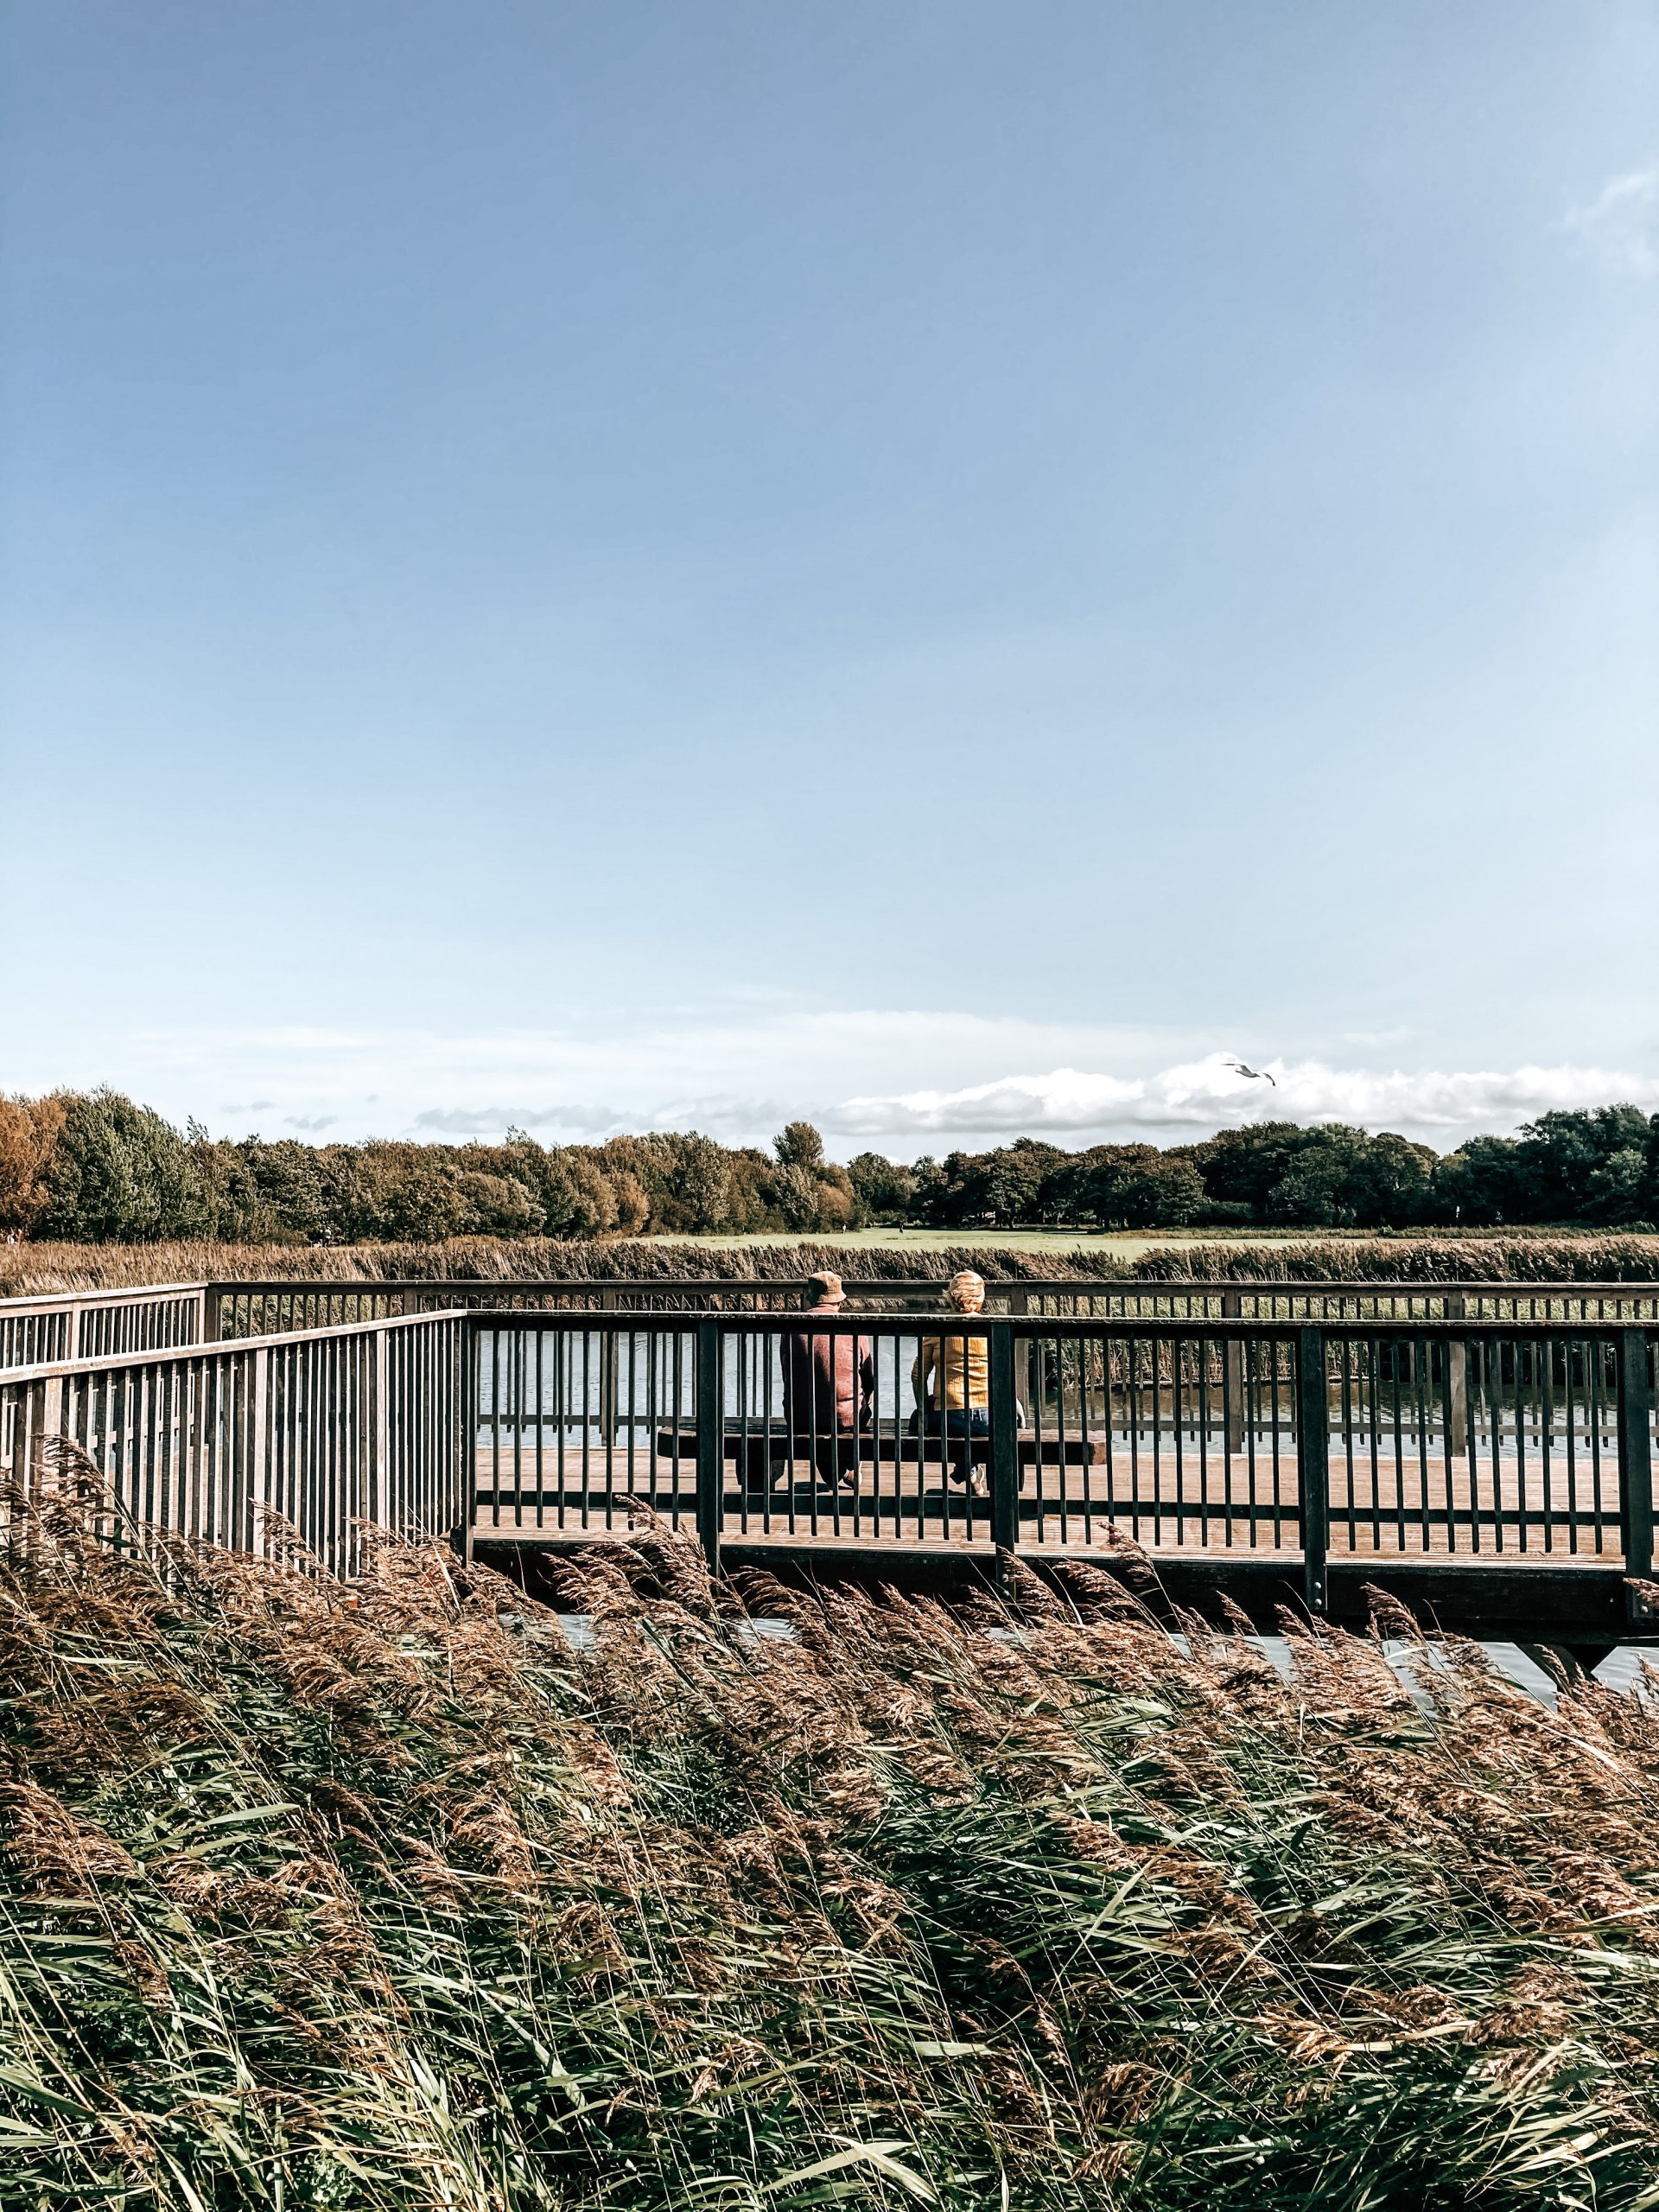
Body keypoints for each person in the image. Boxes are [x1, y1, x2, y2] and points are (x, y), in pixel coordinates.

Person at [772, 1270, 876, 1489]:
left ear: (811, 1297)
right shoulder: (853, 1328)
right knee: (863, 1408)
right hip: (846, 1419)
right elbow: (869, 1379)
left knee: (816, 1412)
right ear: (839, 1299)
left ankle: (840, 1471)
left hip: (800, 1417)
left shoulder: (791, 1328)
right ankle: (847, 1465)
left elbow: (785, 1373)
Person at [912, 1270, 990, 1490]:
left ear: (951, 1297)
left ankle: (968, 1469)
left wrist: (923, 1405)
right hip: (989, 1415)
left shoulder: (938, 1330)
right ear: (980, 1298)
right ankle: (970, 1469)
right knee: (976, 1429)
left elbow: (918, 1374)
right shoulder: (992, 1327)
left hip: (949, 1415)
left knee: (937, 1422)